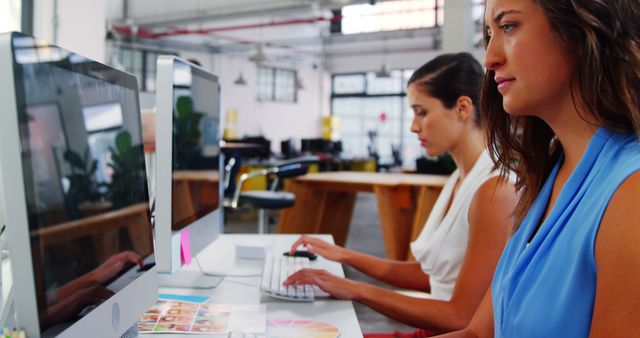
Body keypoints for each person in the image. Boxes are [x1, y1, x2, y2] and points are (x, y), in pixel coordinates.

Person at [436, 0, 640, 337]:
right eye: (489, 33)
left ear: (581, 29)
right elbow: (479, 333)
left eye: (509, 26)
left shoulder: (630, 195)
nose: (489, 58)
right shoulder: (548, 174)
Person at [283, 53, 518, 336]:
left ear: (462, 108)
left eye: (422, 112)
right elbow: (432, 276)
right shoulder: (460, 177)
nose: (413, 126)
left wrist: (356, 289)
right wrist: (344, 256)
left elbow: (461, 317)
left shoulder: (495, 189)